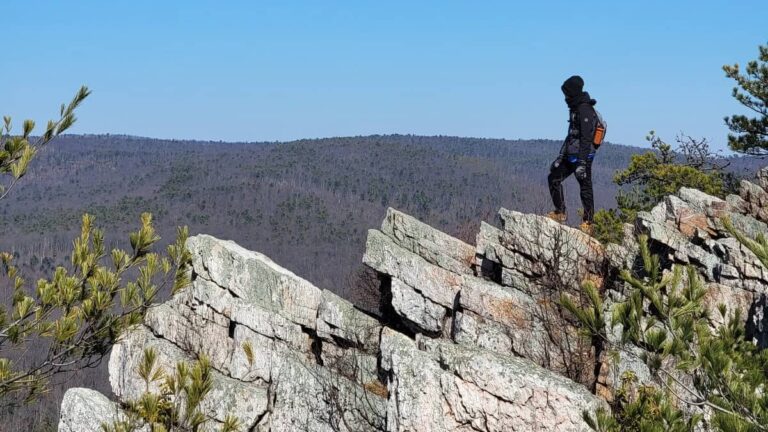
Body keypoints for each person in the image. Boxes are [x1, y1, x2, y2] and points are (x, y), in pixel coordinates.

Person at [547, 75, 599, 235]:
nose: (565, 98)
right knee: (553, 177)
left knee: (585, 186)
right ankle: (560, 212)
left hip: (583, 156)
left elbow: (586, 138)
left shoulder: (585, 110)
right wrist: (560, 157)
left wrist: (582, 163)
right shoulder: (575, 108)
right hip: (571, 155)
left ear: (573, 93)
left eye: (567, 94)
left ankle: (589, 222)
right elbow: (570, 136)